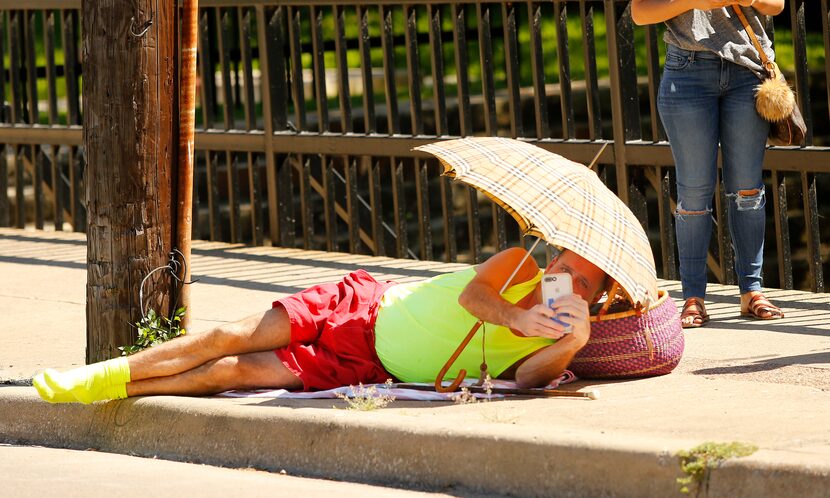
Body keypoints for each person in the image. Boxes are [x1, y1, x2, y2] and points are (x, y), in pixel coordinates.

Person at [33, 247, 610, 404]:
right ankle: (97, 372)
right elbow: (474, 295)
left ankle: (115, 388)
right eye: (566, 266)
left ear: (595, 299)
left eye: (582, 283)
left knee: (227, 374)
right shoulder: (521, 264)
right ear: (554, 255)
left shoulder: (562, 339)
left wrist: (574, 339)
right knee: (225, 336)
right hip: (361, 305)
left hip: (364, 364)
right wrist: (519, 314)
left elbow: (531, 381)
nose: (565, 282)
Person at [631, 0, 786, 328]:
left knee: (748, 190)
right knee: (694, 195)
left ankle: (752, 292)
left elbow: (776, 6)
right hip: (687, 72)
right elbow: (640, 12)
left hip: (747, 72)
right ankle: (693, 298)